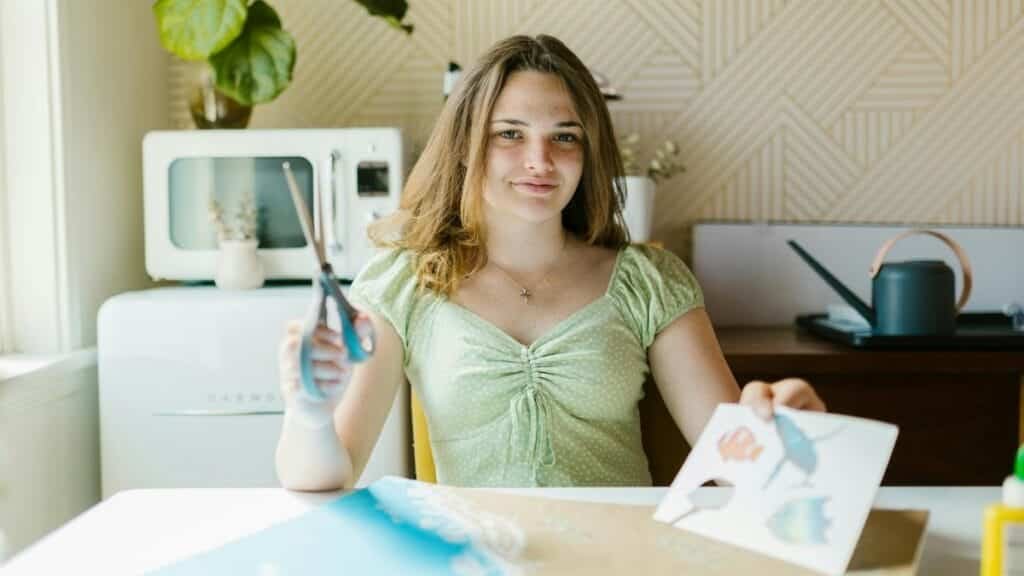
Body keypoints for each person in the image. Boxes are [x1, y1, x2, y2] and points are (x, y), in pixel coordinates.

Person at [275, 34, 825, 491]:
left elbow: (742, 472)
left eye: (564, 137)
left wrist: (787, 431)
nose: (539, 161)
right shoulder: (406, 281)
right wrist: (308, 414)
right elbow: (324, 479)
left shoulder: (651, 284)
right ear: (467, 145)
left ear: (589, 155)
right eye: (510, 134)